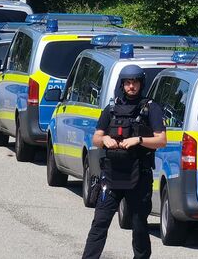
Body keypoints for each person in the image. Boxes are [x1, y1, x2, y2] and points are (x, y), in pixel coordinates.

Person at [82, 65, 167, 259]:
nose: (131, 86)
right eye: (128, 83)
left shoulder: (150, 108)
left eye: (135, 82)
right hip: (111, 175)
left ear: (141, 84)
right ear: (122, 84)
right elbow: (96, 137)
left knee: (138, 226)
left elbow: (161, 140)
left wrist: (139, 140)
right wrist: (104, 140)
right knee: (99, 223)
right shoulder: (111, 108)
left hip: (138, 176)